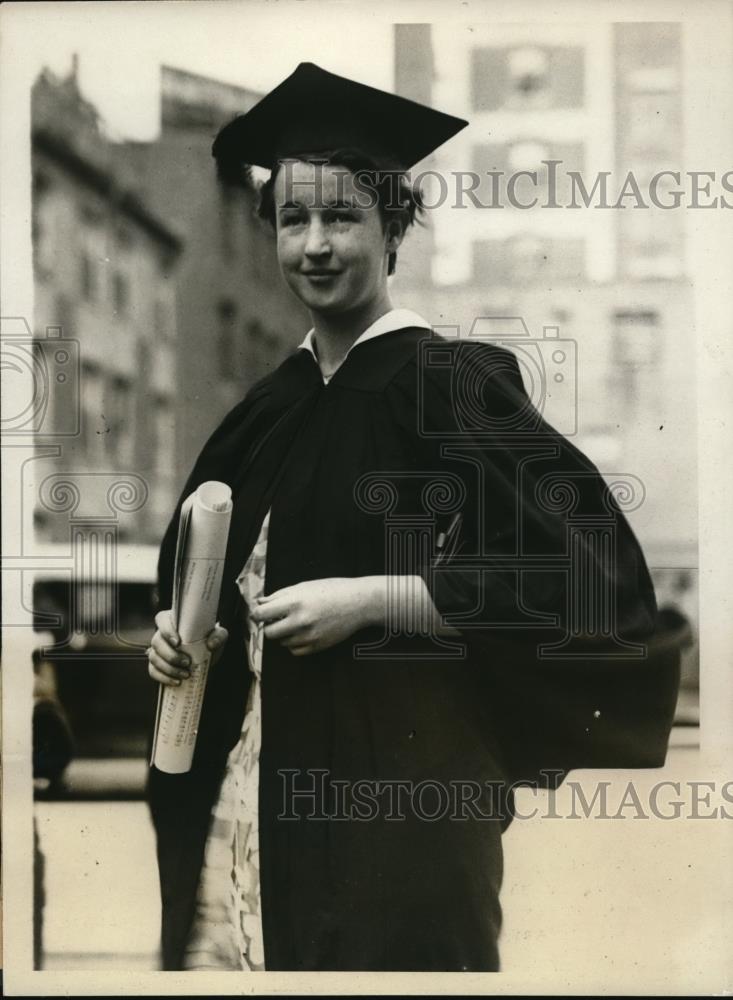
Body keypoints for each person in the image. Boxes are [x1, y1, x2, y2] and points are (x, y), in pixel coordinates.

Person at [146, 62, 680, 972]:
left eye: (342, 217)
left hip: (393, 827)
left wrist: (383, 599)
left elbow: (592, 584)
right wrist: (180, 636)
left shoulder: (453, 386)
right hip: (241, 811)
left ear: (393, 228)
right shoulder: (264, 411)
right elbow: (208, 596)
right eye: (292, 220)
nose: (315, 244)